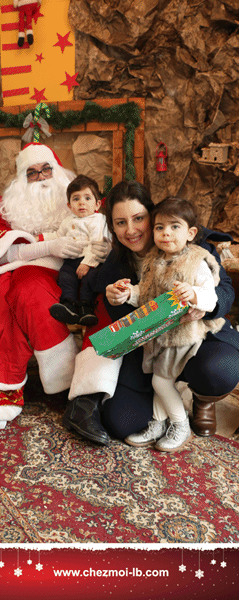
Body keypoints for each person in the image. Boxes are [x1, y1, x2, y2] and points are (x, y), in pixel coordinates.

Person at [0, 143, 108, 432]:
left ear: (57, 171)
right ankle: (36, 382)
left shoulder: (78, 198)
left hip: (79, 274)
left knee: (21, 293)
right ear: (22, 177)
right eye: (32, 172)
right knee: (19, 291)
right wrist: (47, 247)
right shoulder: (6, 205)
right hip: (26, 270)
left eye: (46, 169)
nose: (41, 177)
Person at [64, 180, 239, 446]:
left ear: (152, 215)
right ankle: (163, 406)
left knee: (219, 371)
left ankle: (201, 400)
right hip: (151, 348)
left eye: (138, 218)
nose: (131, 230)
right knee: (121, 422)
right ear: (112, 227)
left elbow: (224, 289)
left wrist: (202, 304)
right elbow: (128, 318)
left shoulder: (189, 240)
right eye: (120, 222)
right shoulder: (114, 264)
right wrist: (116, 297)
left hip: (197, 338)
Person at [120, 197, 225, 451]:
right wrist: (128, 293)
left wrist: (193, 294)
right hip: (156, 332)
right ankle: (159, 423)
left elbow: (211, 297)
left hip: (181, 334)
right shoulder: (152, 260)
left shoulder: (196, 262)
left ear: (190, 233)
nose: (166, 233)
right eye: (160, 227)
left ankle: (180, 424)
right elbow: (145, 294)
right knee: (159, 379)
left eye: (174, 226)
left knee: (161, 381)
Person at [45, 175, 111, 327]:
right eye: (76, 199)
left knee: (90, 280)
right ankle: (68, 304)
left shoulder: (98, 220)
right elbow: (57, 236)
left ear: (97, 204)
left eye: (87, 198)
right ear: (69, 206)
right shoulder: (67, 221)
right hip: (72, 260)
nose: (81, 202)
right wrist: (41, 239)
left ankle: (86, 307)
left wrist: (87, 263)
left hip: (92, 261)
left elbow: (98, 243)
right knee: (65, 277)